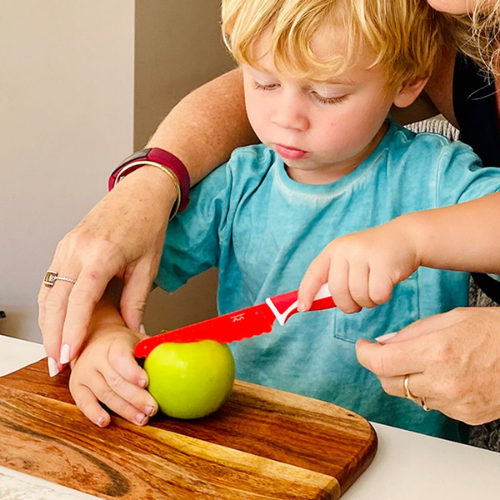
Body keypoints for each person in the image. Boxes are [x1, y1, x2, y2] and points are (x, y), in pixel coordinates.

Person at [39, 0, 500, 429]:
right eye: (263, 83)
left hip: (413, 465)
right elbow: (115, 273)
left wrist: (412, 239)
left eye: (327, 94)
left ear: (407, 82)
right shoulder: (238, 184)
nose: (286, 117)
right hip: (261, 451)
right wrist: (101, 332)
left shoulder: (438, 177)